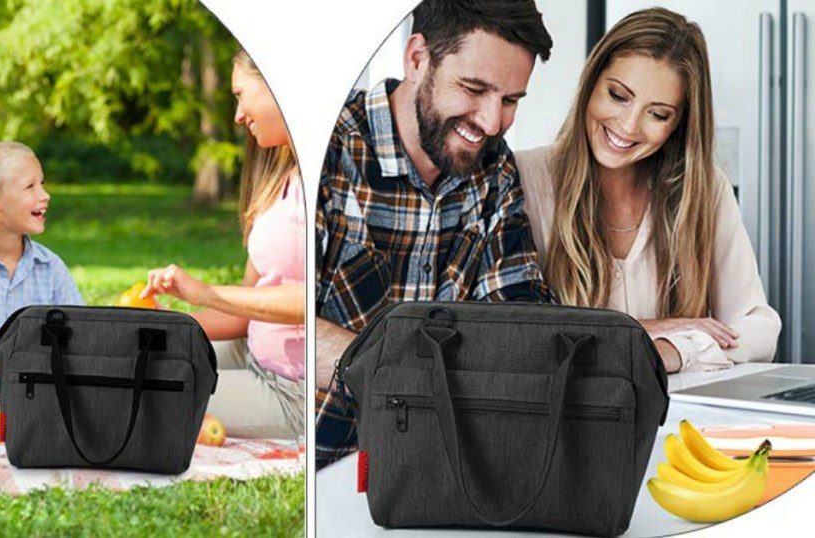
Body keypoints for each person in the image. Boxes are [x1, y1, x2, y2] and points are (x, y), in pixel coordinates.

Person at [315, 0, 554, 468]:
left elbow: (520, 325)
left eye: (510, 101)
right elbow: (291, 330)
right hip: (325, 470)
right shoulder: (329, 146)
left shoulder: (494, 167)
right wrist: (434, 373)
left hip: (446, 472)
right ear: (417, 58)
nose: (491, 122)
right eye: (474, 89)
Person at [514, 7, 780, 374]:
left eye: (657, 114)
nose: (628, 125)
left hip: (678, 419)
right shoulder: (523, 178)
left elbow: (759, 328)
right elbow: (515, 335)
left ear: (678, 124)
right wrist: (643, 332)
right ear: (591, 83)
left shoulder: (703, 189)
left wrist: (674, 350)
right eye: (618, 95)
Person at [140, 49, 305, 440]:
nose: (237, 115)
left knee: (142, 393)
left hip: (292, 391)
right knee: (140, 360)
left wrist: (206, 292)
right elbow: (244, 311)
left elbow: (309, 303)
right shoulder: (280, 181)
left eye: (240, 94)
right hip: (251, 351)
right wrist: (164, 327)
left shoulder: (321, 188)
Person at [0, 142, 84, 348]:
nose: (45, 195)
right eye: (30, 186)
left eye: (42, 184)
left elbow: (81, 335)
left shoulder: (51, 267)